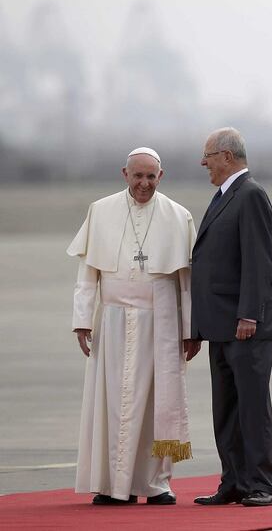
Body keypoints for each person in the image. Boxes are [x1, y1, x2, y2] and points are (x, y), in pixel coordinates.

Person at [68, 147, 197, 505]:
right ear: (124, 174)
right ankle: (111, 485)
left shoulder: (178, 215)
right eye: (137, 176)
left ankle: (155, 483)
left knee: (158, 402)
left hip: (162, 322)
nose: (144, 183)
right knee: (111, 402)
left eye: (151, 177)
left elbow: (186, 282)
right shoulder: (101, 210)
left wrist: (190, 330)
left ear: (161, 176)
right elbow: (87, 275)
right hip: (111, 320)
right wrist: (82, 320)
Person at [190, 127, 272, 506]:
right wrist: (198, 327)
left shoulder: (251, 196)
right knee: (226, 408)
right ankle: (233, 481)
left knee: (251, 406)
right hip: (221, 324)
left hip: (247, 325)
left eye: (208, 156)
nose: (203, 163)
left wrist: (250, 315)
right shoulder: (224, 196)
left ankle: (262, 484)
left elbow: (259, 262)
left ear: (227, 156)